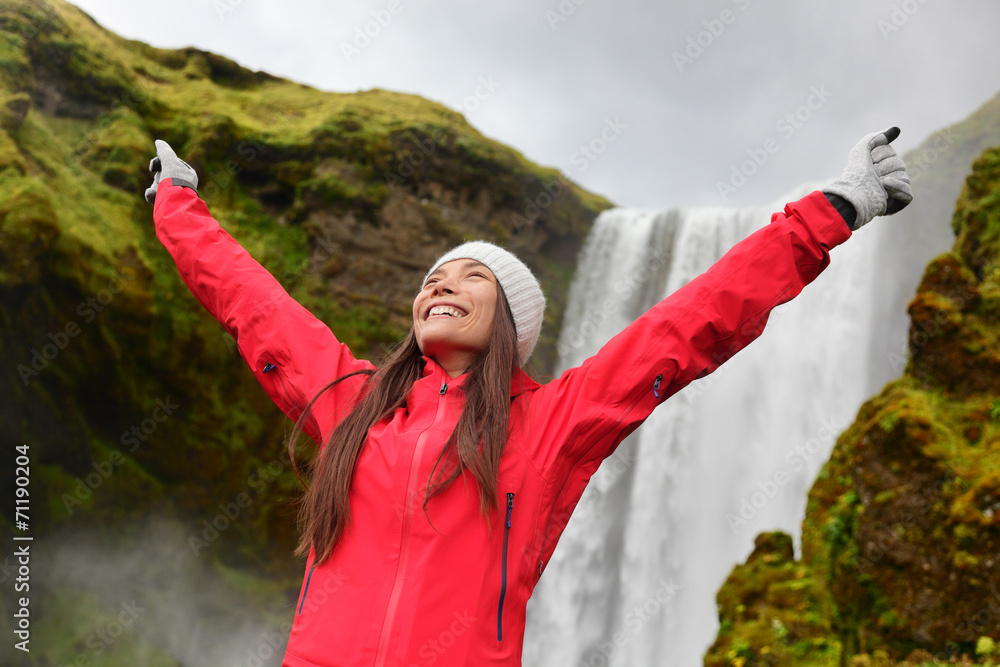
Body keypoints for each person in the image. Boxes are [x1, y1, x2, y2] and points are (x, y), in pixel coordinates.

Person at [144, 126, 911, 666]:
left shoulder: (550, 426)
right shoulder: (353, 404)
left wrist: (830, 210)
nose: (441, 283)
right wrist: (178, 205)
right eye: (431, 278)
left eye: (471, 276)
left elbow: (689, 326)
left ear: (512, 320)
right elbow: (255, 307)